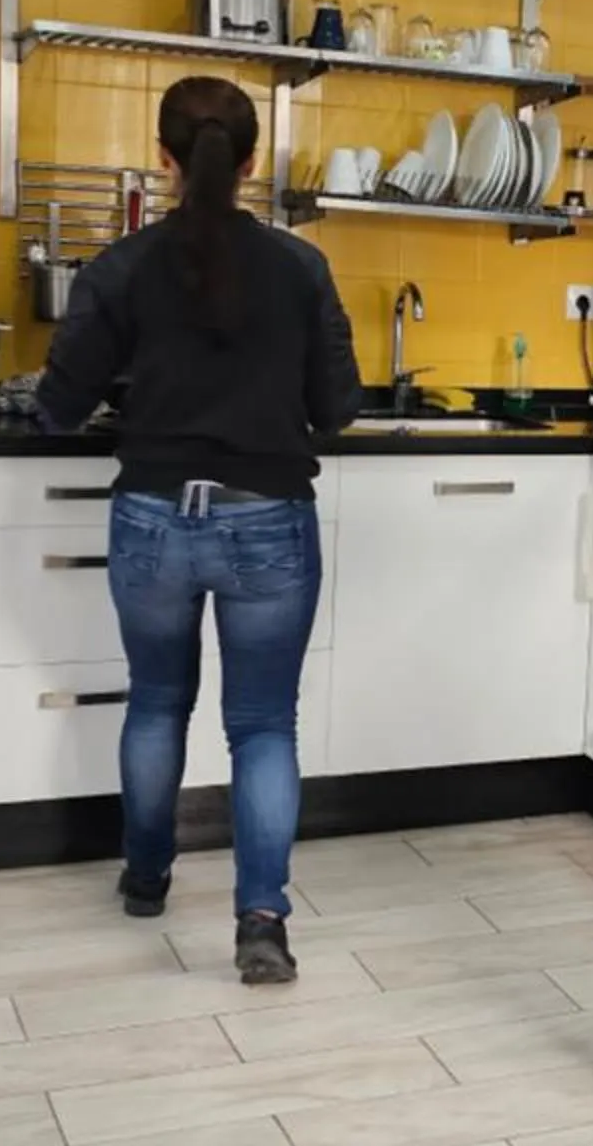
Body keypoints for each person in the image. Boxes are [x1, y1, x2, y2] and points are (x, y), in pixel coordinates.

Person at [34, 75, 361, 985]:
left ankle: (146, 879)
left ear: (164, 160)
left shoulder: (120, 268)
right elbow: (337, 409)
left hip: (152, 520)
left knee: (155, 701)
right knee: (262, 726)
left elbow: (59, 407)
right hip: (268, 520)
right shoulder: (300, 267)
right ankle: (262, 922)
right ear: (254, 162)